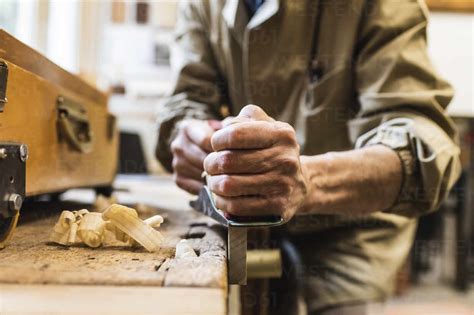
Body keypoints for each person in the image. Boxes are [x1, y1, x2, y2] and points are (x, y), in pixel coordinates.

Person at [156, 0, 461, 314]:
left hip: (349, 233)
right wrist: (188, 134)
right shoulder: (200, 5)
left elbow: (425, 149)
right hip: (246, 229)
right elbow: (187, 100)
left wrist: (310, 181)